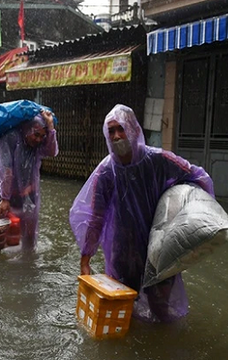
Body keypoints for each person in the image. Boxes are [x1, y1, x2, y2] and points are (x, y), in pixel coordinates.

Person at [69, 104, 214, 323]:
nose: (117, 136)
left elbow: (197, 177)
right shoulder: (106, 171)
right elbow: (96, 217)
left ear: (134, 130)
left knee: (160, 307)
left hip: (159, 247)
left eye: (121, 129)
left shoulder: (159, 160)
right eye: (111, 131)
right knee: (126, 308)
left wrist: (196, 217)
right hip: (123, 252)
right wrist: (85, 257)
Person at [0, 109, 59, 254]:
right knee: (0, 236)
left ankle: (27, 269)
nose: (38, 139)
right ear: (27, 129)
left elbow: (52, 151)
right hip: (5, 194)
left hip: (29, 194)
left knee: (29, 238)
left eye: (42, 136)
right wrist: (5, 198)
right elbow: (6, 171)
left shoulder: (37, 146)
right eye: (36, 134)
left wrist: (50, 127)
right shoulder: (11, 139)